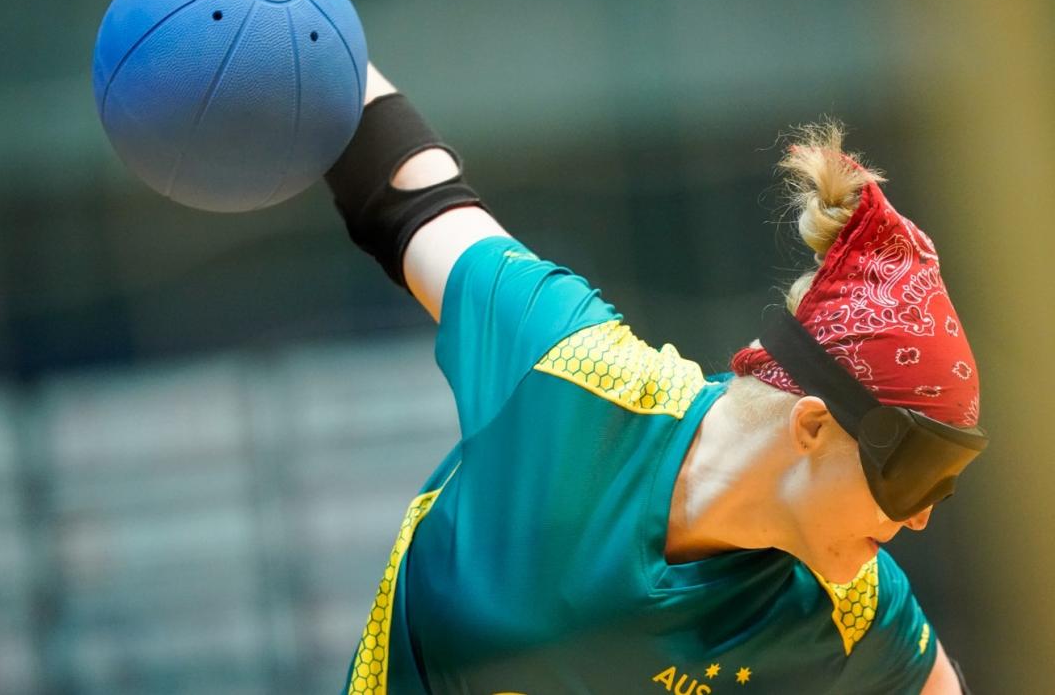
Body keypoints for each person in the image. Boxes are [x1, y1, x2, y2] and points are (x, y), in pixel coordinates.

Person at [322, 65, 983, 695]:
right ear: (812, 424)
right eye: (913, 472)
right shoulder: (572, 372)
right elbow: (404, 192)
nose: (921, 518)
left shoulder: (856, 609)